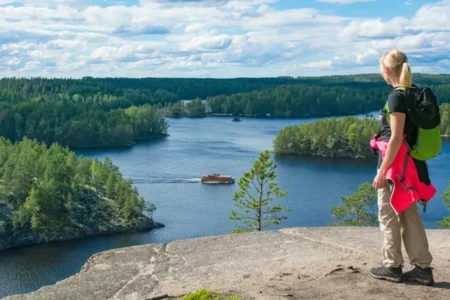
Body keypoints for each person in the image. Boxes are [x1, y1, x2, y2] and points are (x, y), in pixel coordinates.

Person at [369, 49, 434, 285]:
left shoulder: (397, 96)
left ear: (386, 70)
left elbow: (396, 138)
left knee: (388, 215)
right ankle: (422, 269)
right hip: (411, 167)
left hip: (395, 168)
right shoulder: (415, 92)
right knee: (409, 214)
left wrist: (381, 172)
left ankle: (392, 266)